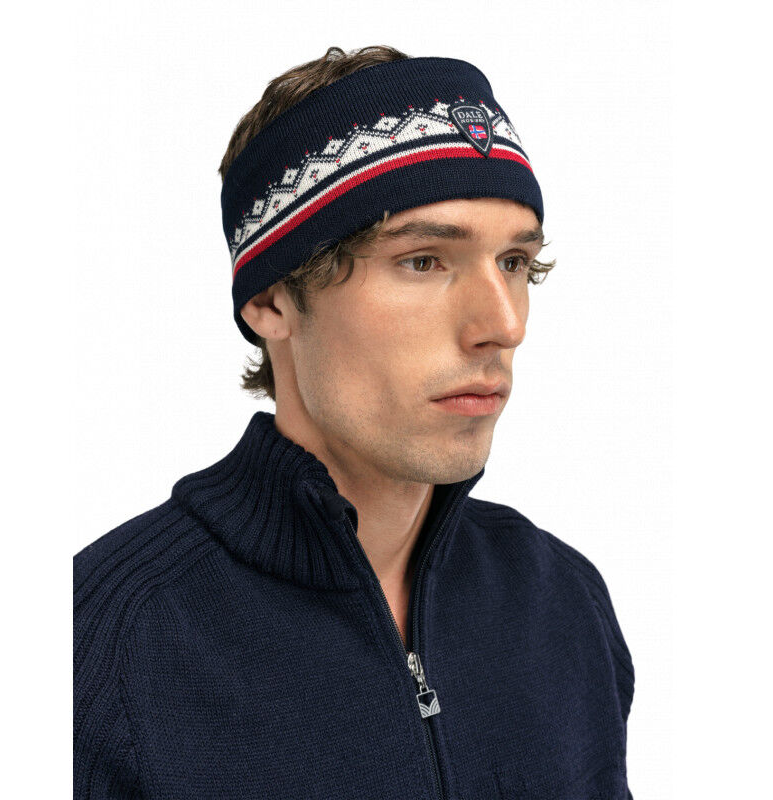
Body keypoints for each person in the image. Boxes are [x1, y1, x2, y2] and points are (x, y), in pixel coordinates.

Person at [74, 45, 635, 800]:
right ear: (271, 299)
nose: (504, 325)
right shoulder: (106, 639)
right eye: (424, 261)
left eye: (513, 262)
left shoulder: (562, 602)